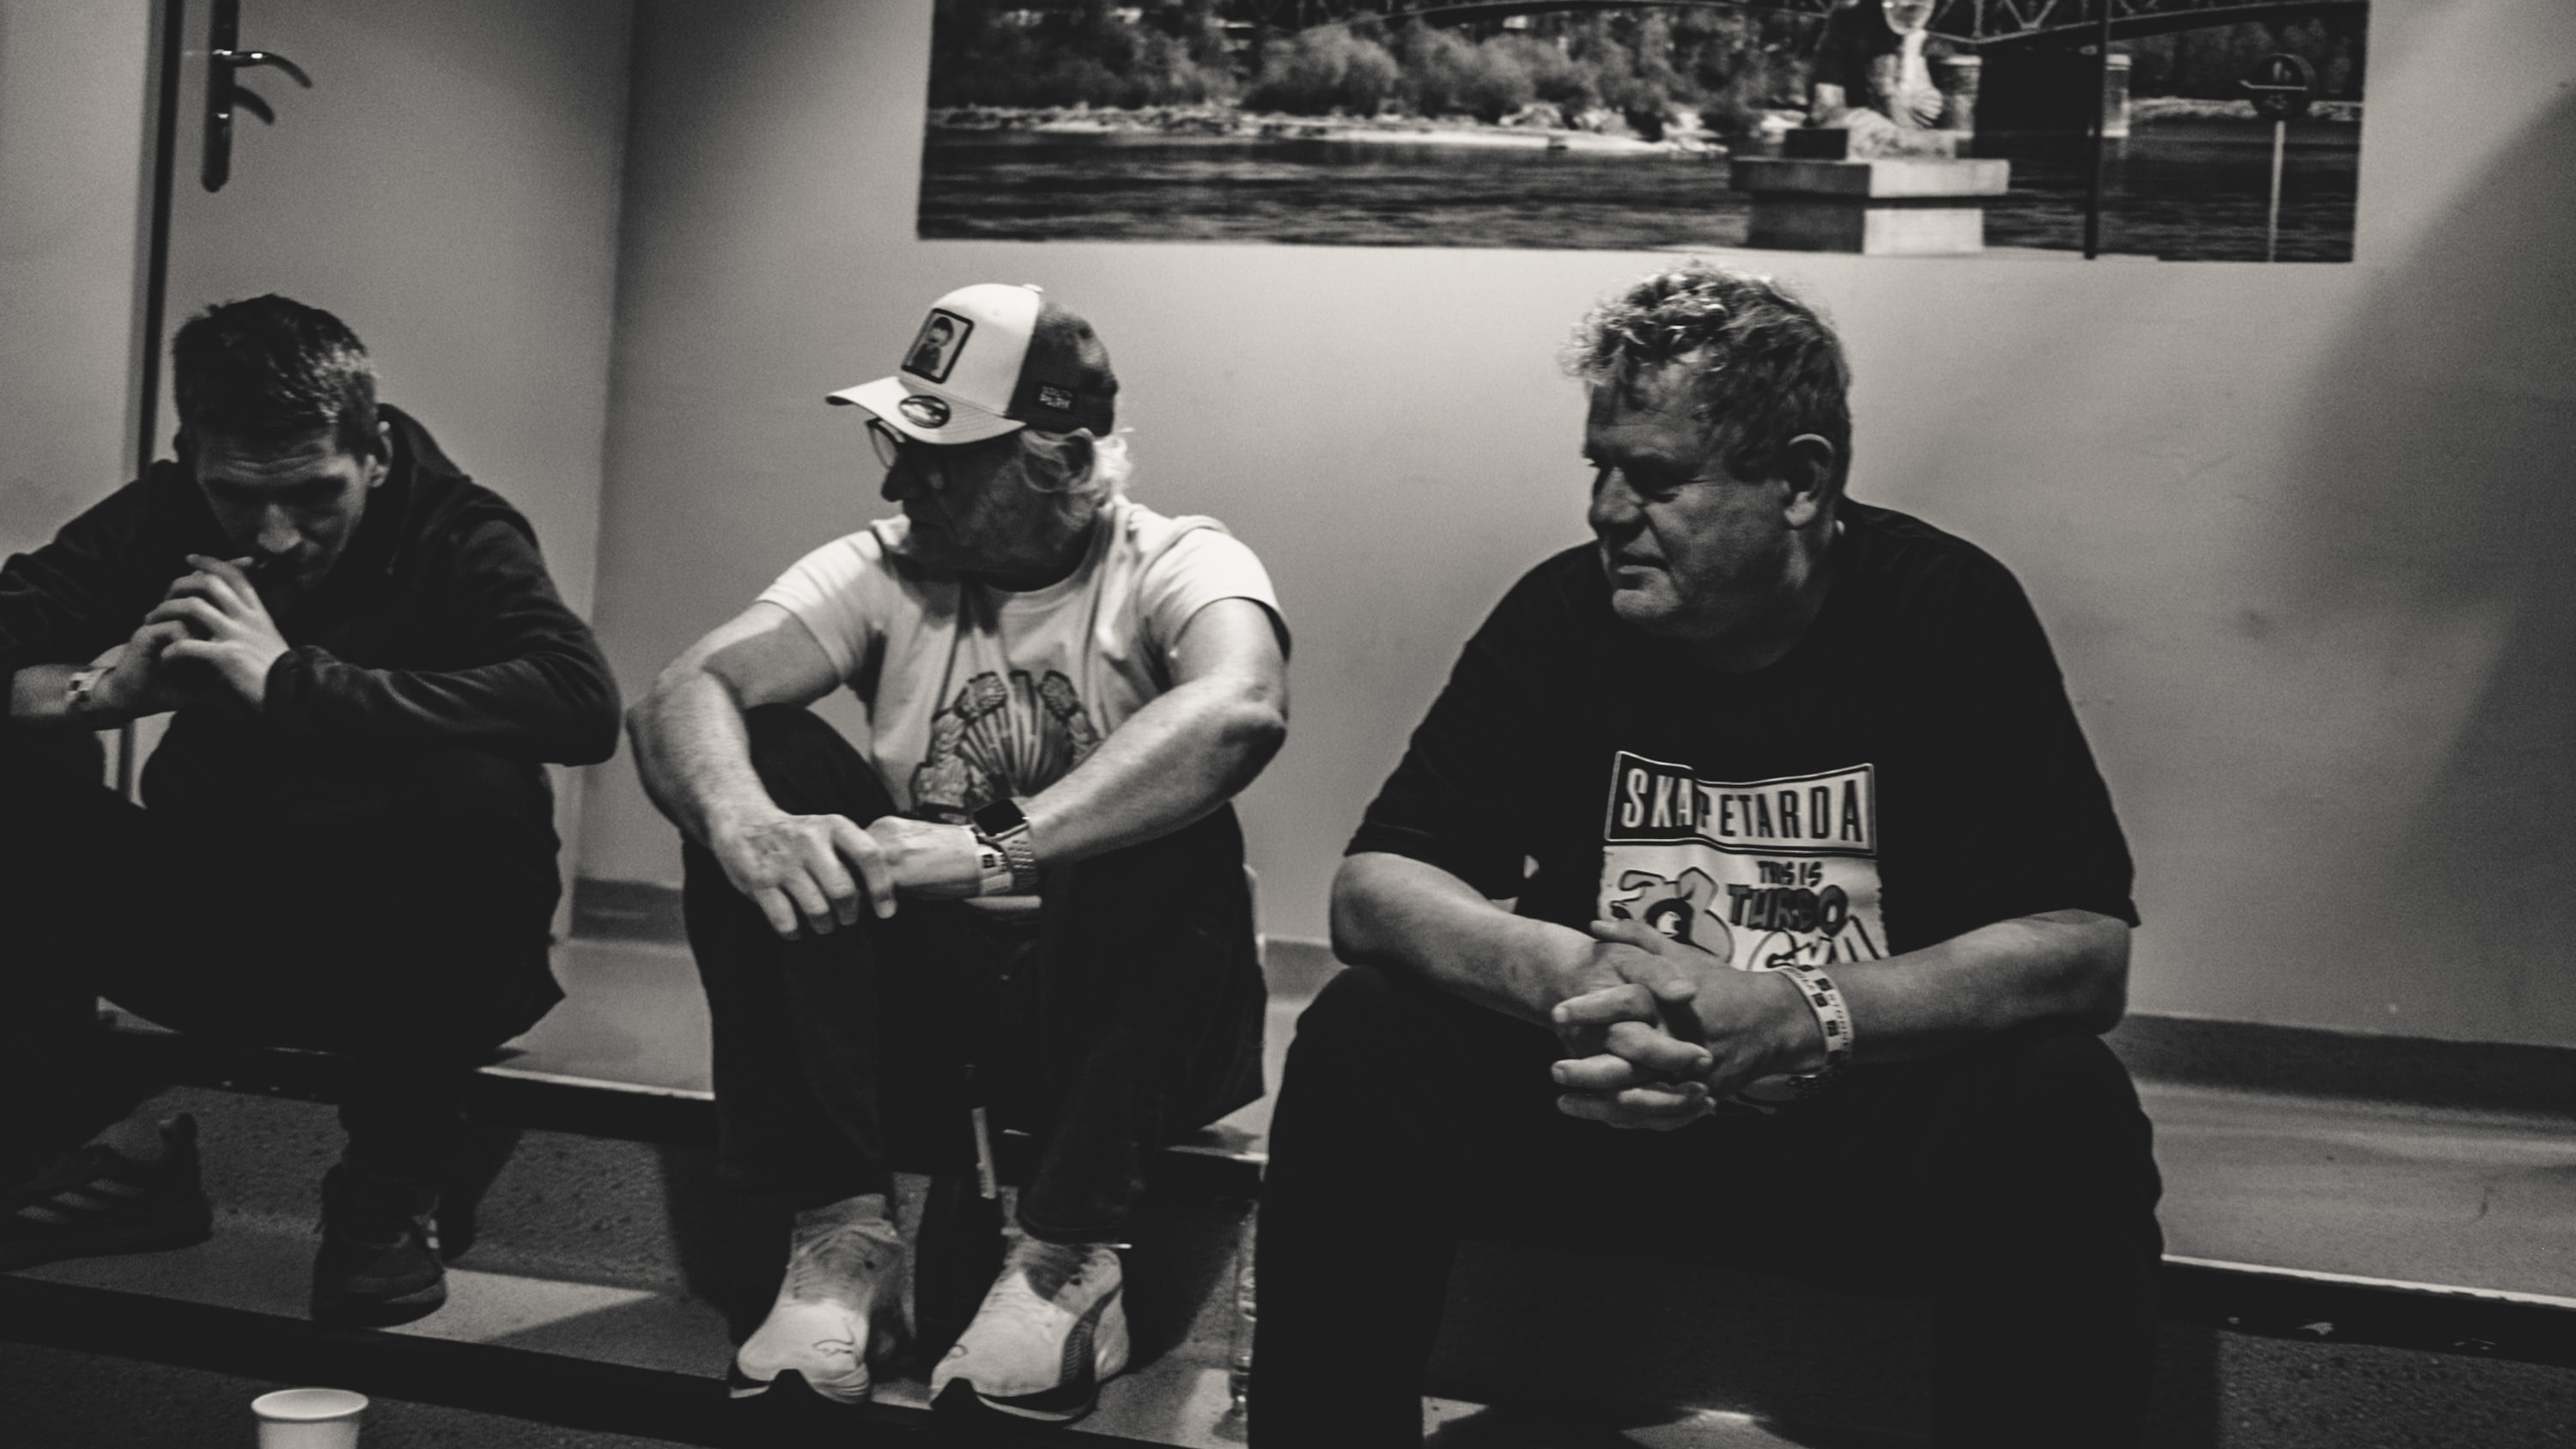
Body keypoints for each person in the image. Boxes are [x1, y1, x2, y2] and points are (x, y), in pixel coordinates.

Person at [1250, 263, 2161, 1448]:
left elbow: (2082, 947)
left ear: (1801, 481)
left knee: (2064, 1104)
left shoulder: (1945, 610)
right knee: (1363, 1032)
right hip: (1599, 1115)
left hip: (1845, 1136)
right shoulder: (1562, 614)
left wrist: (1794, 1014)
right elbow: (1376, 885)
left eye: (1657, 477)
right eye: (1600, 468)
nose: (1606, 511)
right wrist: (1571, 976)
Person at [629, 283, 1288, 1423]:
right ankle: (841, 1236)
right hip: (938, 1013)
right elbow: (681, 693)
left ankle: (1067, 1258)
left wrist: (989, 849)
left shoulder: (1175, 560)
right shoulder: (885, 566)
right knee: (755, 763)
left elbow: (1242, 705)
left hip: (1129, 1026)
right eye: (898, 445)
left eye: (940, 460)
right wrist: (746, 825)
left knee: (1175, 805)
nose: (899, 484)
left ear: (1059, 460)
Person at [0, 295, 620, 1326]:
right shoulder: (167, 513)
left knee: (478, 782)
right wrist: (96, 695)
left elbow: (579, 701)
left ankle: (390, 1188)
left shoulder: (454, 527)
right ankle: (82, 1149)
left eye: (313, 491)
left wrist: (290, 683)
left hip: (418, 964)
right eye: (239, 495)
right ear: (193, 457)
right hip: (220, 930)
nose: (277, 534)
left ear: (374, 454)